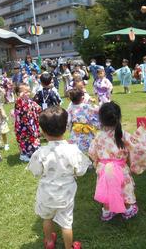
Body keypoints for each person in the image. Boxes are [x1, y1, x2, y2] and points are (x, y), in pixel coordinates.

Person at [27, 106, 90, 249]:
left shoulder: (41, 152)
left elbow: (36, 171)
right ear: (66, 127)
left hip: (46, 193)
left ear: (43, 132)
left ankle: (49, 242)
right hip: (65, 194)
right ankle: (69, 247)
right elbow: (80, 171)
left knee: (47, 218)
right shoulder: (72, 150)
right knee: (66, 223)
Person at [88, 102, 146, 221]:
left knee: (107, 189)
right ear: (118, 118)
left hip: (104, 169)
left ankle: (107, 212)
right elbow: (137, 146)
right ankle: (128, 210)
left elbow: (92, 152)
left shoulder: (99, 136)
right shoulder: (122, 134)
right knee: (125, 189)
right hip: (121, 169)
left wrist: (97, 161)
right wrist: (140, 132)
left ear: (101, 119)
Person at [14, 83, 42, 162]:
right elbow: (19, 104)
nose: (27, 93)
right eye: (25, 92)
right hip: (23, 126)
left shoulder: (30, 101)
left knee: (33, 138)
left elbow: (38, 108)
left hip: (32, 123)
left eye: (28, 91)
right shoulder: (19, 102)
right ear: (19, 94)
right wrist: (20, 96)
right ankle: (24, 154)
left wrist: (39, 109)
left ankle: (34, 151)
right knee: (25, 140)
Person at [67, 89, 100, 153]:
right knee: (90, 149)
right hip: (87, 131)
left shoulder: (69, 109)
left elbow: (68, 121)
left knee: (76, 150)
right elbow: (94, 117)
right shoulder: (87, 107)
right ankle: (91, 161)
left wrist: (69, 128)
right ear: (82, 98)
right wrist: (98, 125)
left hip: (75, 132)